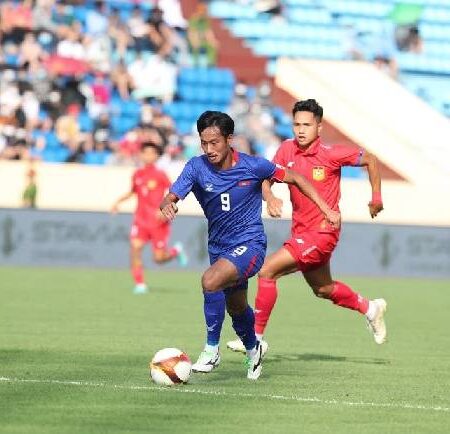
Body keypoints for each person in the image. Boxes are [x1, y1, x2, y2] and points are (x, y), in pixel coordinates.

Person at [160, 111, 340, 380]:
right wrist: (168, 203)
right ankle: (253, 350)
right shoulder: (196, 167)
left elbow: (298, 178)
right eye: (204, 143)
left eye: (215, 143)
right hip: (219, 247)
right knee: (236, 307)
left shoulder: (254, 166)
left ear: (229, 139)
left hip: (251, 244)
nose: (209, 149)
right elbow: (172, 195)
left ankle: (211, 351)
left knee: (210, 281)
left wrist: (327, 209)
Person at [227, 99, 387, 355]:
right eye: (296, 124)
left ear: (319, 127)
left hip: (324, 231)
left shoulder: (330, 154)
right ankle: (370, 308)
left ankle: (254, 339)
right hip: (302, 232)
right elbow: (266, 178)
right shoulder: (286, 150)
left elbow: (370, 159)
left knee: (267, 271)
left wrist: (376, 197)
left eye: (307, 125)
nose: (300, 130)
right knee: (323, 289)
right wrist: (270, 197)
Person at [111, 142, 187, 294]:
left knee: (158, 259)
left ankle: (175, 252)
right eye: (145, 153)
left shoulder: (160, 174)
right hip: (140, 220)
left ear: (156, 156)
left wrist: (165, 208)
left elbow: (174, 192)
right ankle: (140, 284)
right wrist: (118, 202)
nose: (148, 156)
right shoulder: (137, 174)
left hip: (158, 221)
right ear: (141, 155)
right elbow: (133, 192)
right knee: (135, 249)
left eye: (152, 153)